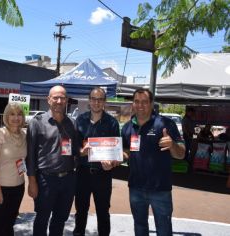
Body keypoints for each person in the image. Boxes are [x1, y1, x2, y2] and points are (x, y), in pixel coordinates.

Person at [121, 88, 185, 236]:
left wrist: (172, 145)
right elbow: (126, 152)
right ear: (133, 104)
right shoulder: (127, 127)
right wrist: (114, 158)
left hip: (160, 189)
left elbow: (181, 154)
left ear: (151, 104)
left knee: (163, 230)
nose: (140, 105)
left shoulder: (165, 124)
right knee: (140, 227)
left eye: (144, 102)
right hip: (136, 188)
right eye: (137, 101)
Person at [26, 85, 78, 236]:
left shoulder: (72, 123)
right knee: (42, 219)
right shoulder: (37, 123)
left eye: (62, 97)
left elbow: (74, 151)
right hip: (45, 181)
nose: (59, 101)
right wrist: (32, 182)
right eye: (55, 97)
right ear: (49, 100)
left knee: (60, 219)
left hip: (68, 180)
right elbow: (30, 156)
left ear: (67, 100)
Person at [73, 87, 120, 236]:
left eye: (100, 99)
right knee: (80, 211)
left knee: (103, 212)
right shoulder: (80, 120)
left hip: (103, 175)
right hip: (83, 173)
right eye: (94, 99)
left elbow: (117, 154)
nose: (96, 102)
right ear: (89, 101)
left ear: (104, 102)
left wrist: (111, 163)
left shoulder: (112, 123)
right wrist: (81, 152)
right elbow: (74, 149)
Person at [0, 103, 26, 236]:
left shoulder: (24, 135)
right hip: (0, 188)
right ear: (6, 116)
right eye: (12, 114)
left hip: (18, 187)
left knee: (10, 225)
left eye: (19, 114)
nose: (16, 118)